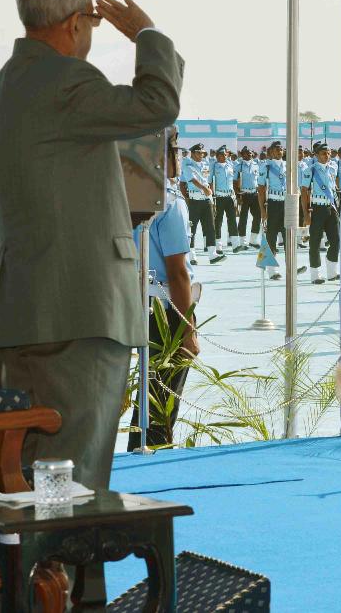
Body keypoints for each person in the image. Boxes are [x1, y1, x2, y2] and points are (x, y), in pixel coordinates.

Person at [0, 0, 182, 493]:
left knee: (27, 476)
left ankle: (31, 553)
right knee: (73, 478)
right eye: (92, 21)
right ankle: (63, 553)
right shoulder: (66, 81)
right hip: (79, 314)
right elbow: (157, 104)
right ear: (74, 23)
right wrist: (147, 34)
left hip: (16, 316)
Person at [129, 131, 199, 451]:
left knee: (146, 394)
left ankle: (137, 450)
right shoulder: (169, 201)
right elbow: (178, 272)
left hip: (133, 299)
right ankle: (152, 455)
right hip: (164, 309)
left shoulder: (126, 195)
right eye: (176, 150)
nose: (179, 157)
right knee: (161, 397)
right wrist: (188, 329)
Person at [301, 140, 341, 284]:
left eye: (328, 153)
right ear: (316, 155)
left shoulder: (333, 168)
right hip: (317, 208)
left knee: (336, 240)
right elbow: (304, 192)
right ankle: (315, 274)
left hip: (331, 208)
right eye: (324, 153)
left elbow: (334, 187)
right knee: (315, 242)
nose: (327, 155)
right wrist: (306, 214)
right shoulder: (310, 170)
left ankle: (332, 272)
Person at [181, 143, 213, 263]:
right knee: (192, 228)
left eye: (203, 153)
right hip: (194, 200)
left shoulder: (205, 164)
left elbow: (205, 179)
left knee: (210, 226)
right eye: (199, 153)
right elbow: (192, 180)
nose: (201, 155)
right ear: (193, 153)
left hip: (206, 199)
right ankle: (192, 255)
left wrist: (209, 191)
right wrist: (204, 189)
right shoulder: (188, 165)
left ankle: (213, 254)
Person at [209, 145, 238, 260]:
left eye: (225, 155)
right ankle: (218, 246)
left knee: (232, 220)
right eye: (221, 155)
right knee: (218, 221)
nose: (224, 156)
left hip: (229, 196)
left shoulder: (230, 165)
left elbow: (232, 181)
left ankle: (235, 244)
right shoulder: (214, 166)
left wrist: (234, 196)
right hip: (219, 197)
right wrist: (212, 197)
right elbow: (210, 181)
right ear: (217, 156)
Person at [235, 146, 262, 250]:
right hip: (244, 194)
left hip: (254, 194)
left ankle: (253, 240)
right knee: (243, 218)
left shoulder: (256, 165)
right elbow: (235, 182)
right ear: (242, 155)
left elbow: (258, 180)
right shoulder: (239, 166)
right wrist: (238, 196)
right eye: (246, 153)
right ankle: (243, 242)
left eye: (250, 153)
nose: (249, 154)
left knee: (258, 216)